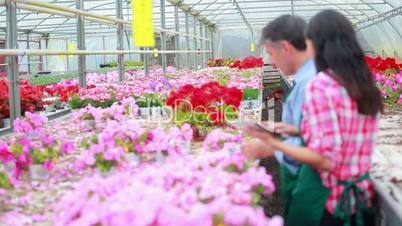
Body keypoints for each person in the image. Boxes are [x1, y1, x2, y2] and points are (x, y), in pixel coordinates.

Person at [243, 10, 383, 226]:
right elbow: (342, 135)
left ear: (315, 43)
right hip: (359, 199)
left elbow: (326, 158)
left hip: (329, 202)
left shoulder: (322, 85)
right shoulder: (361, 83)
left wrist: (272, 143)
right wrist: (293, 129)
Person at [242, 15, 316, 219]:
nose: (271, 63)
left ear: (285, 47)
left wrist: (270, 147)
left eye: (271, 54)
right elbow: (309, 129)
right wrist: (280, 127)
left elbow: (321, 148)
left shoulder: (312, 84)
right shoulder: (306, 79)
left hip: (316, 192)